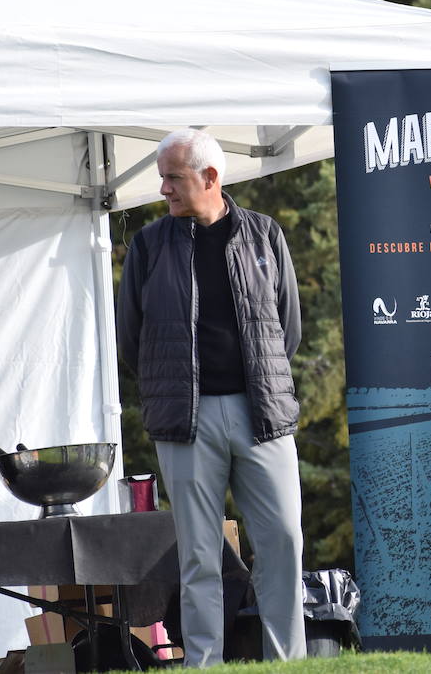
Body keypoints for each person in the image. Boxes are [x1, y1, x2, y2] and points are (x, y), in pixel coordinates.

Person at [115, 128, 306, 666]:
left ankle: (287, 662)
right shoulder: (150, 245)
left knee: (283, 544)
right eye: (162, 179)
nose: (164, 190)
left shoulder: (266, 235)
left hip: (262, 416)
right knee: (199, 556)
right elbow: (132, 338)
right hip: (186, 422)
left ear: (210, 177)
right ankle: (204, 665)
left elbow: (286, 331)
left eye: (173, 179)